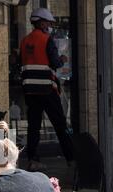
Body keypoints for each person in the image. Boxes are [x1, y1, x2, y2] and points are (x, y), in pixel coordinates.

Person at [19, 8, 74, 171]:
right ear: (41, 23)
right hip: (47, 90)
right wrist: (62, 59)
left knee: (33, 126)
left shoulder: (24, 41)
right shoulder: (46, 40)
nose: (49, 26)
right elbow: (55, 63)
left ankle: (32, 160)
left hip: (30, 91)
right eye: (48, 23)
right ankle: (71, 158)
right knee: (60, 124)